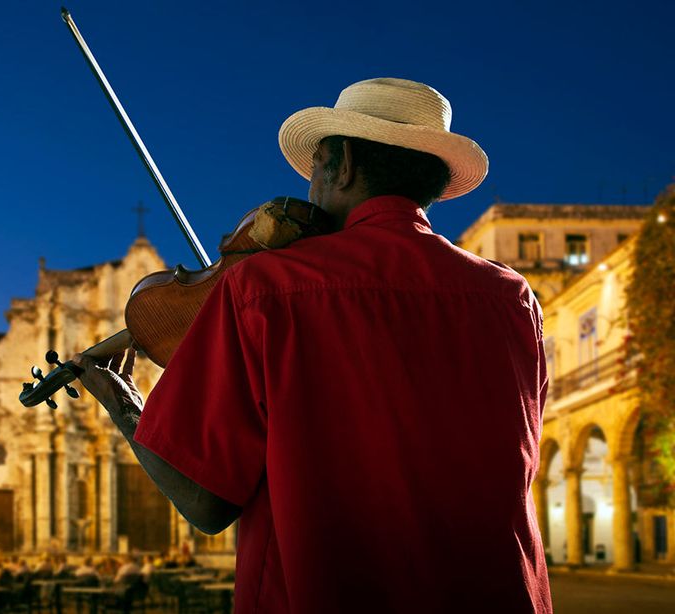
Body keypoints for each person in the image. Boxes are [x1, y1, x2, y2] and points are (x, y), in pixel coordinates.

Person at [75, 78, 552, 613]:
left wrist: (123, 404)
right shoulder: (511, 298)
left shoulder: (264, 288)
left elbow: (206, 502)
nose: (308, 197)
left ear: (343, 164)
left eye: (316, 171)